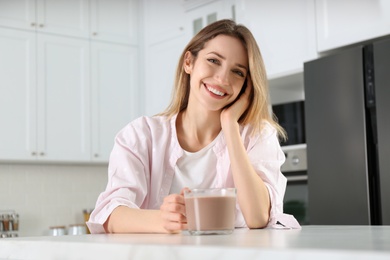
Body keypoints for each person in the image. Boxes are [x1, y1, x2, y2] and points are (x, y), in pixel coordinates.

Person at [87, 19, 297, 234]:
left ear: (247, 85)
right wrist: (163, 220)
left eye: (238, 72)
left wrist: (230, 127)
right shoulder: (142, 135)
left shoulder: (258, 135)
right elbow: (110, 214)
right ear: (189, 62)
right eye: (214, 60)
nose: (222, 78)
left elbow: (258, 217)